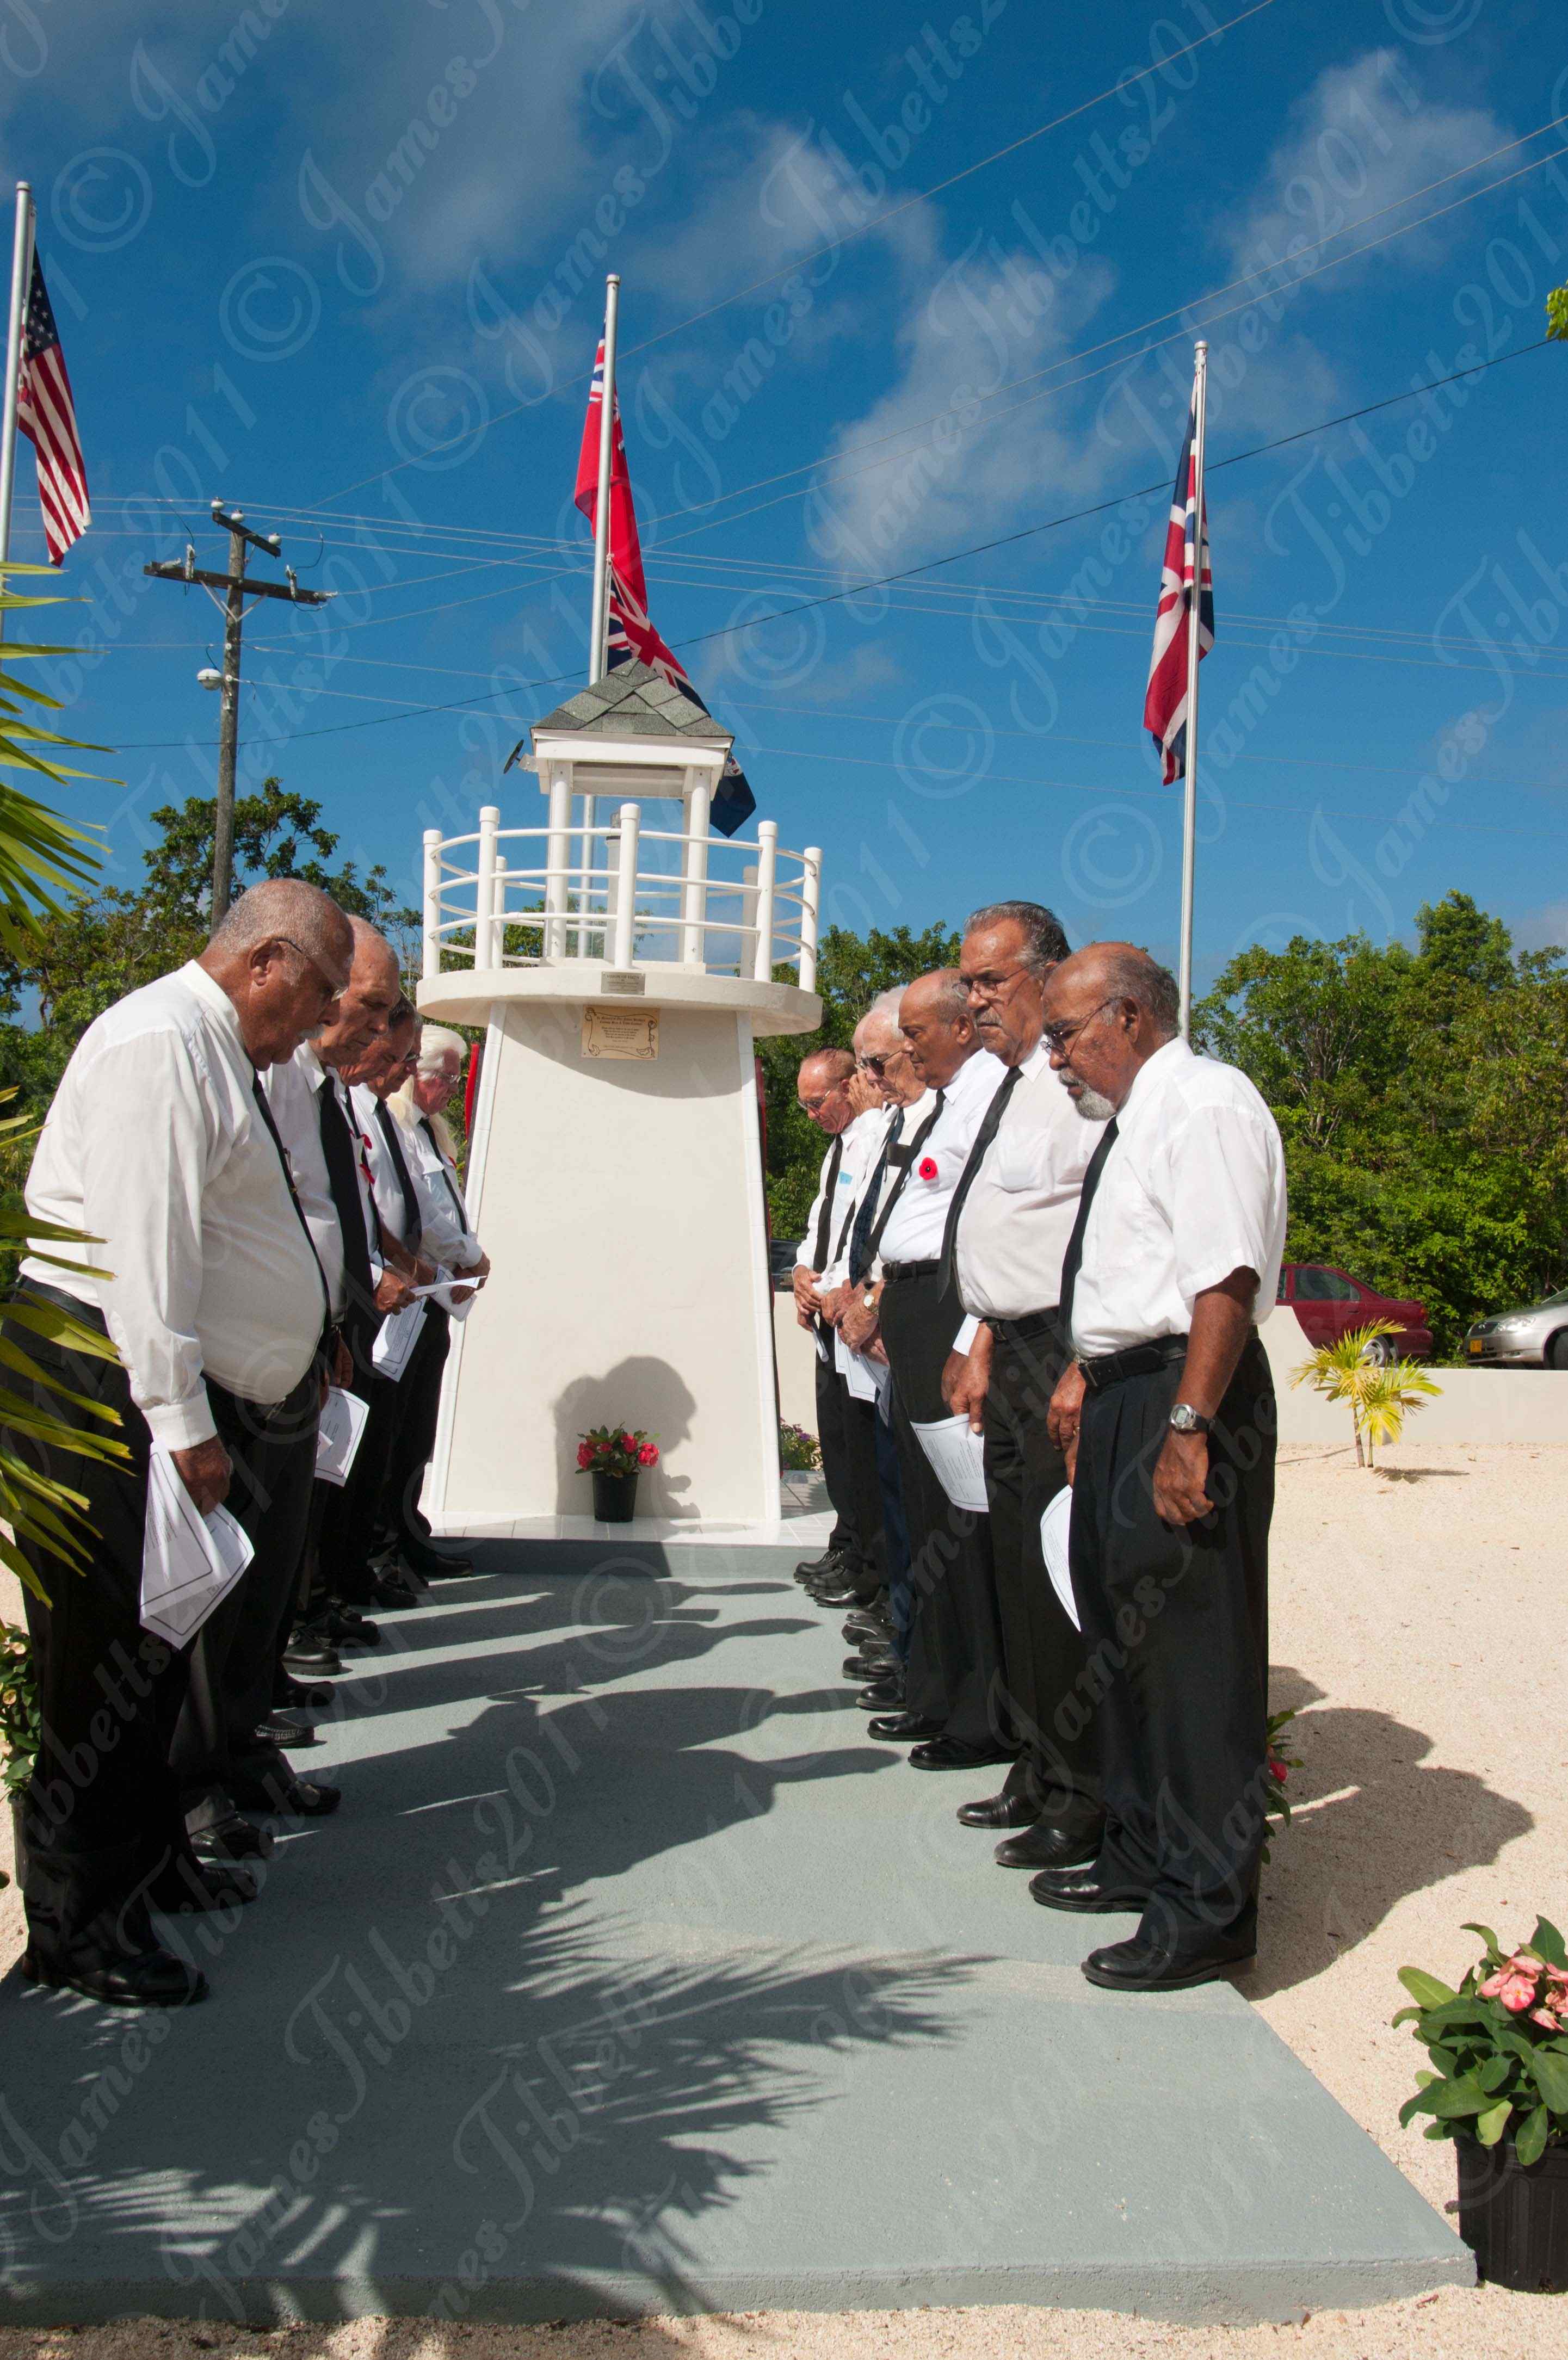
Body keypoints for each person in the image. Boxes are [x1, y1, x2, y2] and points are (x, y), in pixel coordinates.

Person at [11, 878, 353, 2006]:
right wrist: (184, 1422)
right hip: (100, 1375)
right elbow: (141, 1254)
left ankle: (149, 1866)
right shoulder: (161, 1041)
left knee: (154, 1651)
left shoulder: (218, 1049)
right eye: (319, 993)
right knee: (101, 1658)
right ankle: (79, 1926)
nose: (321, 1020)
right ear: (266, 961)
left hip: (147, 1376)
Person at [1036, 944, 1287, 1994]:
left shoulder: (1204, 1102)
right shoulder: (1134, 1117)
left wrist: (1188, 1423)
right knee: (1124, 1640)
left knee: (1191, 1656)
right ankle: (1139, 1854)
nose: (1054, 1057)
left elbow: (1223, 1276)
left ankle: (1206, 1909)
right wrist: (1091, 1380)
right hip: (1125, 1393)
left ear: (1129, 1016)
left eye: (1064, 1033)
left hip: (1185, 1394)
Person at [939, 901, 1107, 1874]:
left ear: (1046, 974)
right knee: (1012, 1568)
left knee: (1057, 1577)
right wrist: (978, 1338)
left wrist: (1082, 1359)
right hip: (1009, 1347)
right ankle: (1038, 1763)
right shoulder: (1013, 1086)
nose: (974, 999)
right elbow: (1003, 1230)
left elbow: (1102, 1234)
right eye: (967, 981)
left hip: (1062, 1350)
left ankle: (1083, 1789)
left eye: (990, 979)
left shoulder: (1081, 1087)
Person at [838, 971, 1009, 1772]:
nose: (904, 1052)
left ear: (960, 1029)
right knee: (922, 1507)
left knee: (956, 1521)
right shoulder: (944, 1105)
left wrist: (968, 1331)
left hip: (945, 1304)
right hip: (908, 1304)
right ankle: (935, 1685)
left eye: (915, 1035)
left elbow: (986, 1222)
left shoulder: (988, 1098)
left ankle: (975, 1708)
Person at [264, 916, 413, 1714]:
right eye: (370, 1007)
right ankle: (275, 1653)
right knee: (281, 1511)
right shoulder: (278, 1076)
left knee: (318, 1491)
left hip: (329, 1324)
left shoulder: (324, 1091)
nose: (378, 1037)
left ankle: (281, 1650)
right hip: (272, 1339)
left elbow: (343, 1209)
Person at [375, 1021, 489, 1582]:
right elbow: (420, 1211)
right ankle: (381, 1547)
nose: (451, 1088)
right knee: (389, 1430)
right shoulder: (394, 1126)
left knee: (418, 1428)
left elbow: (446, 1207)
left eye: (456, 1078)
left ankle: (407, 1535)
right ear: (414, 1075)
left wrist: (467, 1257)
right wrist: (470, 1256)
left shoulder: (428, 1132)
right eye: (445, 1077)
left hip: (432, 1298)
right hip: (403, 1297)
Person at [790, 1047, 875, 1595]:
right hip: (825, 1315)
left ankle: (866, 1560)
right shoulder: (837, 1147)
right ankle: (846, 1542)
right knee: (838, 1442)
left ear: (848, 1086)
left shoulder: (873, 1139)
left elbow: (863, 1233)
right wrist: (801, 1271)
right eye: (803, 1106)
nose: (811, 1115)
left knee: (863, 1448)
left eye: (817, 1102)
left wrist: (833, 1290)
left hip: (850, 1312)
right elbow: (821, 1225)